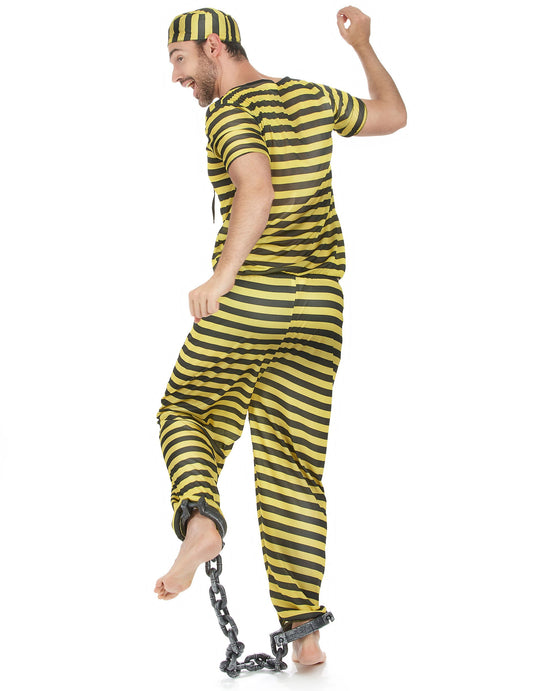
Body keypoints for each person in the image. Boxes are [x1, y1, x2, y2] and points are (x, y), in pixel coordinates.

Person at [154, 5, 406, 666]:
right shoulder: (311, 96)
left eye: (179, 60)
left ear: (213, 46)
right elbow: (391, 115)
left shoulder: (229, 111)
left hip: (251, 298)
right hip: (319, 307)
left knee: (185, 410)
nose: (176, 76)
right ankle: (305, 635)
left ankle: (200, 522)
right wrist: (363, 46)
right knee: (292, 463)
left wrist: (222, 276)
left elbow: (256, 189)